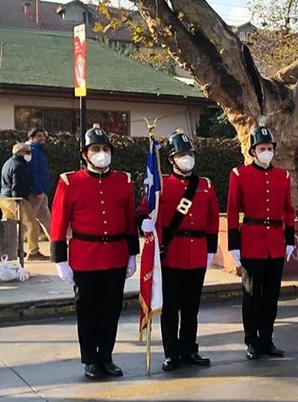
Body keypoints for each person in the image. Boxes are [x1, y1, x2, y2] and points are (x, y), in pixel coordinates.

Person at [50, 126, 139, 380]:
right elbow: (58, 221)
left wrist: (133, 254)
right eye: (96, 149)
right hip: (85, 256)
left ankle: (107, 357)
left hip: (115, 254)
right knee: (88, 310)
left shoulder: (123, 181)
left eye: (105, 149)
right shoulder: (69, 182)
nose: (102, 154)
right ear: (85, 155)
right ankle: (91, 359)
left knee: (111, 309)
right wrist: (60, 259)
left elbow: (129, 218)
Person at [139, 131, 219, 371]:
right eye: (182, 155)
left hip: (196, 253)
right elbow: (144, 210)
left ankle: (189, 349)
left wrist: (210, 250)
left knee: (191, 308)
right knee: (171, 308)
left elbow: (213, 220)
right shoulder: (161, 185)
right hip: (171, 254)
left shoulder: (204, 185)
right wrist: (143, 222)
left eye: (190, 154)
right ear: (172, 159)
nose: (187, 159)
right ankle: (172, 352)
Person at [227, 125, 296, 360]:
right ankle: (252, 341)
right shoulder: (239, 174)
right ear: (253, 151)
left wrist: (290, 239)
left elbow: (288, 209)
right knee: (252, 294)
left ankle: (267, 339)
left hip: (275, 242)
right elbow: (233, 209)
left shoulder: (282, 176)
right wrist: (234, 244)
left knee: (271, 295)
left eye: (269, 148)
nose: (267, 151)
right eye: (262, 148)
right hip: (252, 240)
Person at [0, 143, 37, 247]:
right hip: (16, 199)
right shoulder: (19, 166)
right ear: (20, 152)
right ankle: (33, 251)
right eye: (28, 152)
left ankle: (9, 249)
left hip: (4, 198)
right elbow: (17, 186)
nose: (30, 155)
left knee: (9, 226)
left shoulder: (7, 163)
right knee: (32, 225)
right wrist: (18, 203)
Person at [25, 127, 51, 260]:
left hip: (41, 193)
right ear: (32, 137)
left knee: (48, 221)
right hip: (36, 194)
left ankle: (57, 248)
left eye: (43, 136)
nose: (42, 139)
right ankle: (27, 251)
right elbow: (32, 172)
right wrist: (38, 190)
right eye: (39, 136)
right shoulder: (32, 151)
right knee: (28, 223)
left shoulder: (37, 151)